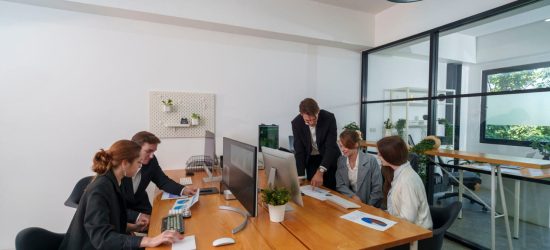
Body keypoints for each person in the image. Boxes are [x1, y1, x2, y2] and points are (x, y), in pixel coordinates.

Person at [59, 140, 183, 249]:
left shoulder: (113, 182)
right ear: (125, 163)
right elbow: (103, 239)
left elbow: (109, 222)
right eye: (138, 163)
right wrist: (149, 241)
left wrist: (133, 227)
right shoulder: (100, 190)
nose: (140, 166)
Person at [121, 131, 197, 231]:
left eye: (154, 152)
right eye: (148, 151)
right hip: (121, 212)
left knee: (162, 226)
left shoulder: (151, 160)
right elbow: (113, 207)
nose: (152, 156)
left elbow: (162, 181)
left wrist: (183, 190)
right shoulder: (122, 167)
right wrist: (137, 216)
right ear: (135, 149)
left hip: (141, 205)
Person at [376, 136, 432, 229]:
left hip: (416, 235)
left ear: (390, 155)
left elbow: (407, 219)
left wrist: (384, 217)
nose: (378, 156)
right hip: (403, 228)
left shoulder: (407, 180)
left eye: (380, 154)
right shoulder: (398, 173)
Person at [291, 98, 341, 190]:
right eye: (307, 121)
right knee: (314, 188)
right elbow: (299, 150)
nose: (311, 123)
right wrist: (300, 176)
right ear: (301, 114)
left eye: (314, 119)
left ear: (318, 111)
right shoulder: (296, 123)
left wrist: (321, 171)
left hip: (329, 157)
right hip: (312, 158)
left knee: (331, 189)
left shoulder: (329, 118)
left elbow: (331, 147)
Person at [335, 129, 383, 207]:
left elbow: (377, 189)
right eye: (341, 146)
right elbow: (340, 185)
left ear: (356, 144)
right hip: (349, 203)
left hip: (370, 205)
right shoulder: (341, 160)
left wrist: (368, 207)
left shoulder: (371, 160)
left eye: (346, 146)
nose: (343, 149)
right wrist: (353, 197)